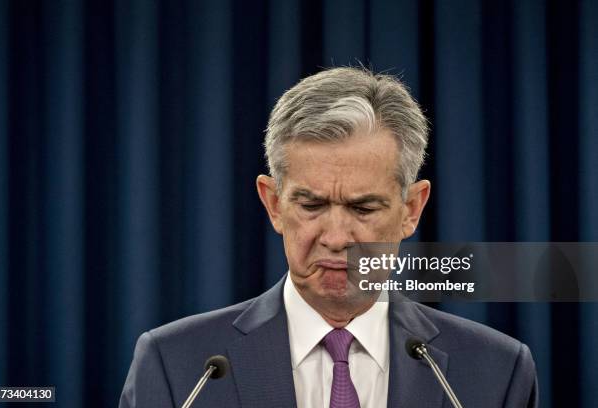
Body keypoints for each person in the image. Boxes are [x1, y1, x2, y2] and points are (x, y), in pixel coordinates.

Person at [119, 67, 538, 407]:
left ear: (411, 209)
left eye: (363, 208)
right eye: (312, 206)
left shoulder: (496, 371)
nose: (336, 238)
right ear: (273, 203)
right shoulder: (177, 366)